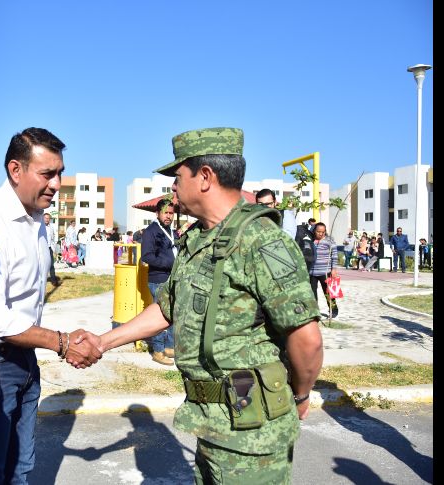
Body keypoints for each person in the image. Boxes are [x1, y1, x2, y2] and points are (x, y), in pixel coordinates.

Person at [81, 127, 323, 483]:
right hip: (210, 424)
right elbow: (167, 308)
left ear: (205, 177)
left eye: (178, 177)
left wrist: (299, 396)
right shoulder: (197, 239)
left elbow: (307, 339)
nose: (173, 188)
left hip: (252, 435)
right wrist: (103, 342)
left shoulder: (262, 241)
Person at [0, 127, 102, 485]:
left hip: (24, 359)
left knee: (20, 469)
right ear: (15, 170)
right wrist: (62, 342)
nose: (57, 184)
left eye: (60, 173)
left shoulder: (36, 220)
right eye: (47, 174)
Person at [140, 198, 177, 365]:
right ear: (157, 213)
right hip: (158, 279)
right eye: (165, 213)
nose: (168, 216)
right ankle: (158, 350)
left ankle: (169, 346)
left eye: (171, 213)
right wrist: (170, 263)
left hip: (171, 278)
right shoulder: (151, 231)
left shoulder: (170, 231)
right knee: (160, 314)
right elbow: (147, 256)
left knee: (171, 312)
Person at [309, 222, 340, 317]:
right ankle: (315, 311)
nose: (320, 234)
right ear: (314, 231)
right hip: (312, 272)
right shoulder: (310, 240)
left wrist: (334, 269)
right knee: (312, 293)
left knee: (329, 292)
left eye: (323, 232)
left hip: (325, 272)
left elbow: (334, 256)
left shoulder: (329, 241)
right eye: (318, 231)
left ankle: (333, 309)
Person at [44, 213, 61, 286]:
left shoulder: (51, 227)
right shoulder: (40, 226)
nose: (47, 219)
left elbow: (53, 237)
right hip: (42, 248)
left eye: (48, 218)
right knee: (41, 265)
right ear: (43, 218)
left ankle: (54, 281)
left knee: (51, 264)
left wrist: (54, 248)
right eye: (45, 218)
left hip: (49, 248)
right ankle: (40, 280)